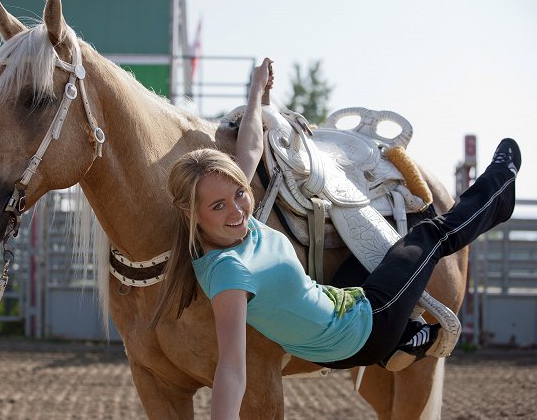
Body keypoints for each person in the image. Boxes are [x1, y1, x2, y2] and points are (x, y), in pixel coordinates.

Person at [151, 58, 521, 419]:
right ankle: (498, 191)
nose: (237, 210)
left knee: (367, 247)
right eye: (219, 206)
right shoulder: (229, 273)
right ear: (191, 214)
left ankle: (406, 338)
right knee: (429, 234)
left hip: (338, 305)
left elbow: (249, 148)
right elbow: (231, 369)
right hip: (364, 327)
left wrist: (256, 94)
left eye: (240, 193)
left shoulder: (225, 226)